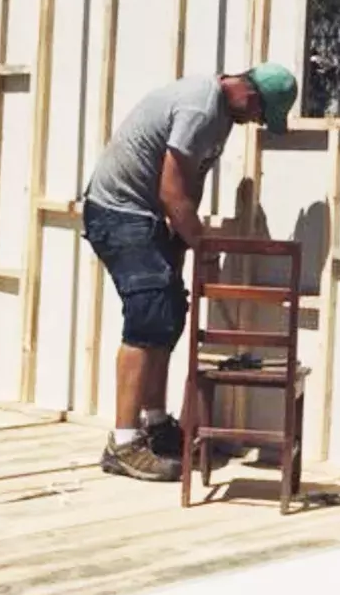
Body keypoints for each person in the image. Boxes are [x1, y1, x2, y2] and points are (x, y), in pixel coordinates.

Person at [81, 65, 299, 481]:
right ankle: (123, 444)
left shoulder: (221, 117)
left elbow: (188, 185)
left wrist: (184, 244)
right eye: (258, 114)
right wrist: (202, 246)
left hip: (146, 217)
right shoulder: (201, 107)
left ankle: (157, 424)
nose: (255, 122)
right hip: (119, 212)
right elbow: (170, 189)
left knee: (168, 313)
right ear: (250, 96)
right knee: (148, 314)